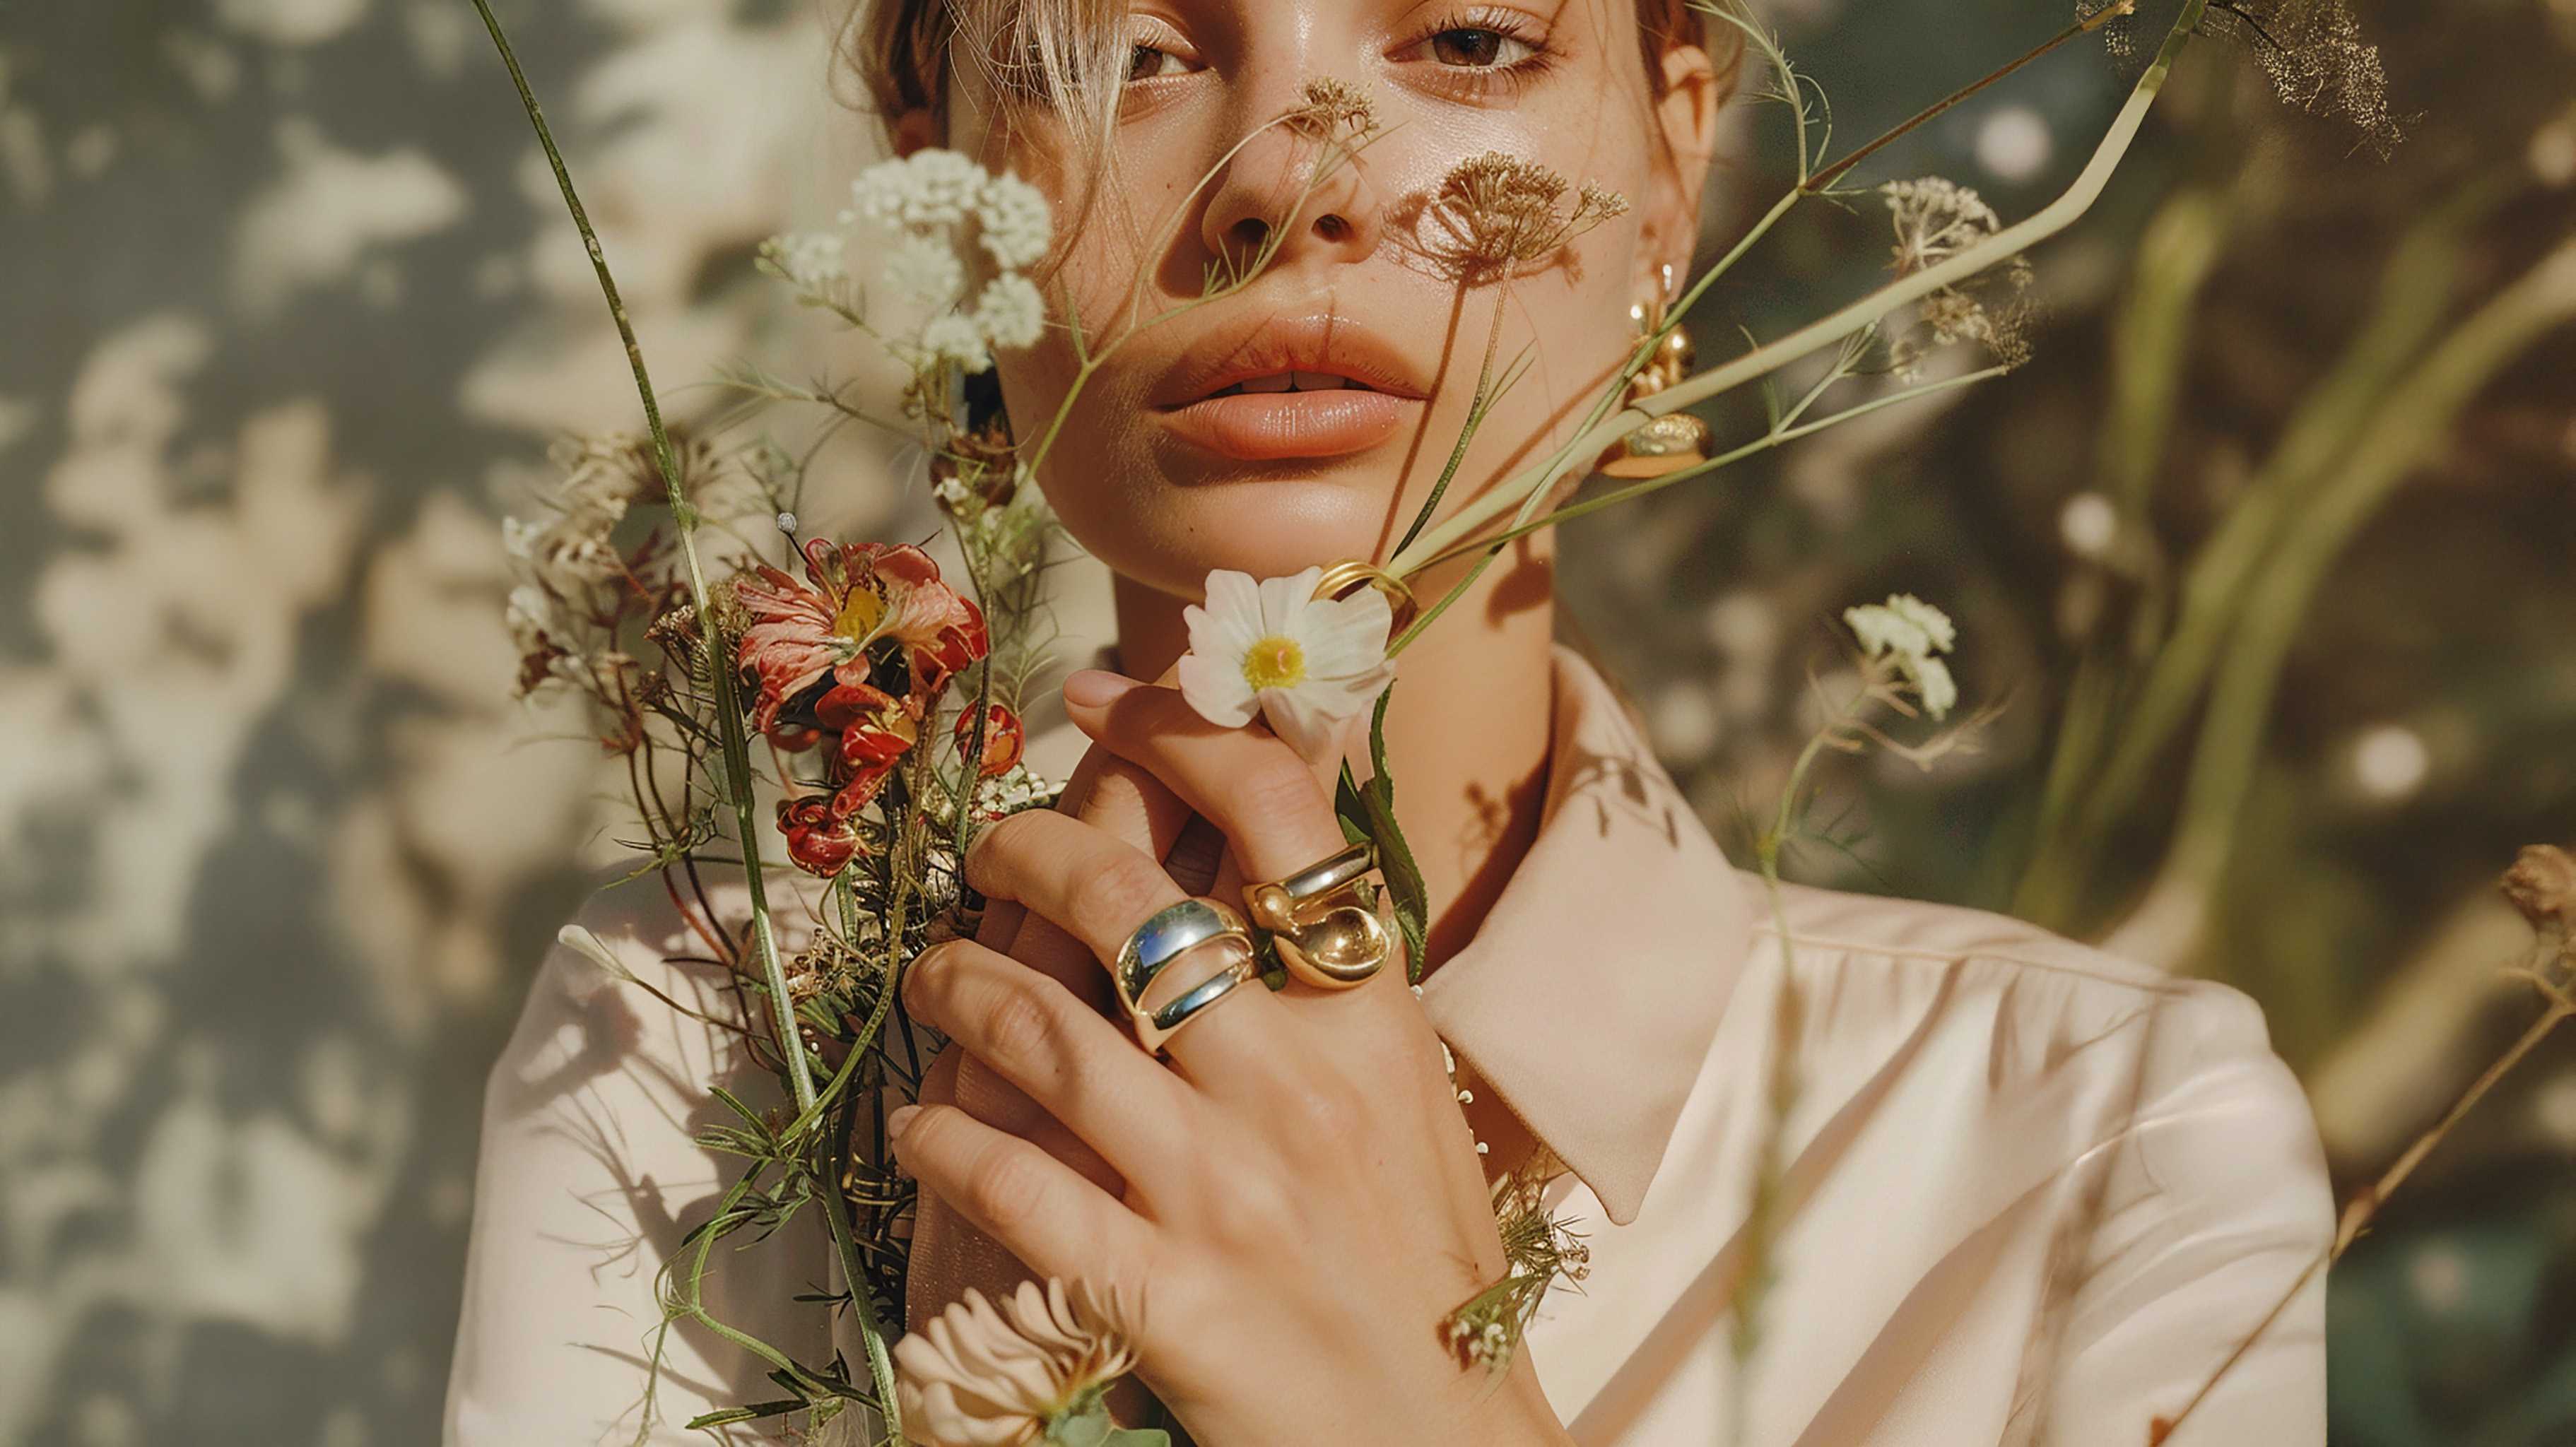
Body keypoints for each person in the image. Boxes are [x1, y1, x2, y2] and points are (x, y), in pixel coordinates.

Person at [444, 0, 2334, 1441]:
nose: (1286, 182)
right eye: (1134, 54)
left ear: (1675, 158)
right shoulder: (685, 1046)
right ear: (953, 194)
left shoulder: (2094, 1137)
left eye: (1469, 39)